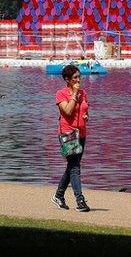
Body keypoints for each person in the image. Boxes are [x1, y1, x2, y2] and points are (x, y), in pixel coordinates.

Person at [52, 64, 91, 212]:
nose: (78, 80)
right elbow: (67, 112)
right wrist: (74, 94)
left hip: (81, 133)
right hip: (68, 133)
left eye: (79, 76)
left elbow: (85, 109)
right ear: (67, 80)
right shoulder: (61, 94)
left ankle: (59, 195)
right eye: (75, 78)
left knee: (72, 166)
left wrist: (86, 116)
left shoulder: (83, 93)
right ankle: (80, 200)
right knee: (75, 167)